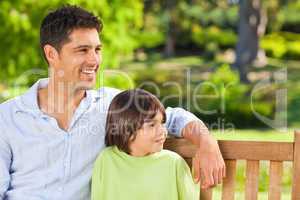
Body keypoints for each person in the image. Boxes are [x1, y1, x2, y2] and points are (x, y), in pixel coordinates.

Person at [0, 5, 225, 200]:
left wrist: (206, 141)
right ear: (51, 54)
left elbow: (172, 117)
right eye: (83, 50)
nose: (94, 60)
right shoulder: (8, 117)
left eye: (97, 49)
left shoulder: (112, 106)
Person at [91, 89, 199, 200]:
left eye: (162, 123)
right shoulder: (106, 159)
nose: (163, 131)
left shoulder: (174, 163)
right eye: (152, 125)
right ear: (126, 129)